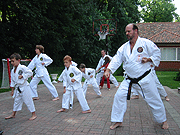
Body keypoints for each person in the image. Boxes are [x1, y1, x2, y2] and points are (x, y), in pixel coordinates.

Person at [104, 23, 169, 130]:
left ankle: (163, 120)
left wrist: (148, 59)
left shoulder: (145, 43)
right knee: (119, 97)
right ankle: (118, 120)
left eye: (129, 31)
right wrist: (109, 70)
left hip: (145, 78)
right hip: (129, 79)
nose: (127, 33)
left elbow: (157, 53)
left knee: (154, 99)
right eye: (126, 31)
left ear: (136, 31)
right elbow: (116, 59)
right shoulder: (124, 47)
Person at [5, 53, 37, 120]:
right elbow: (13, 81)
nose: (12, 63)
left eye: (13, 61)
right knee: (16, 101)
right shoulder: (12, 70)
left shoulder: (22, 67)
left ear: (18, 60)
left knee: (28, 100)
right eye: (11, 61)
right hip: (18, 88)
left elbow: (30, 72)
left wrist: (23, 76)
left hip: (25, 87)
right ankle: (13, 114)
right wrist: (12, 90)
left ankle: (34, 114)